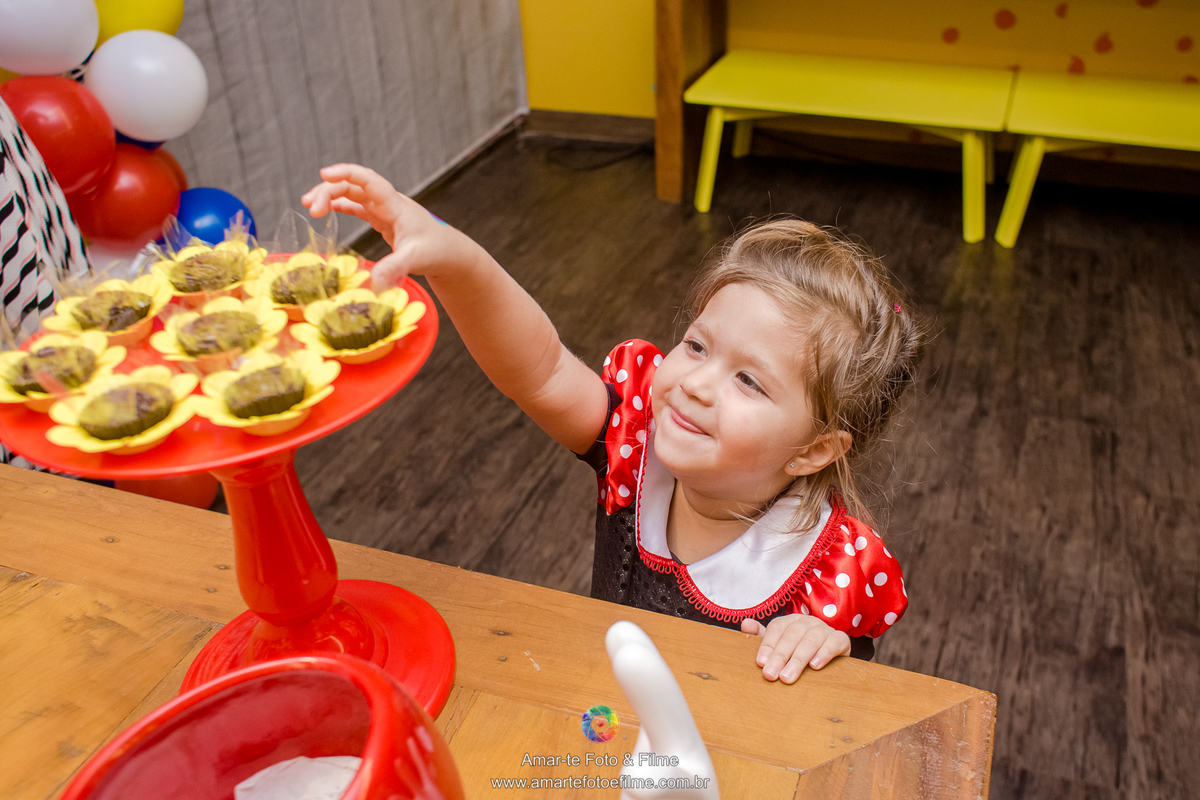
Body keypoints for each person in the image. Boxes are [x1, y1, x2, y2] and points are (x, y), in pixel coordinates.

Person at [302, 164, 924, 684]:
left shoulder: (828, 568)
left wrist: (821, 640)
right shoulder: (635, 443)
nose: (696, 383)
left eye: (749, 381)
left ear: (815, 450)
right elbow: (541, 369)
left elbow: (845, 708)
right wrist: (456, 259)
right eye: (699, 346)